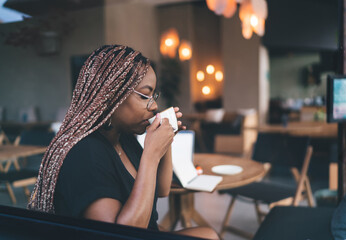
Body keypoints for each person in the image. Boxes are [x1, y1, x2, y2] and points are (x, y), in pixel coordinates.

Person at [28, 45, 219, 239]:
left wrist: (166, 140)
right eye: (145, 95)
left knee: (209, 234)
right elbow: (116, 235)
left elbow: (162, 190)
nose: (154, 106)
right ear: (111, 95)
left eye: (154, 96)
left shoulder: (123, 138)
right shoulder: (85, 153)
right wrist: (151, 154)